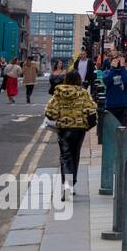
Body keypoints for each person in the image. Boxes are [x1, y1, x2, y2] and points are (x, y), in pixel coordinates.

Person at [44, 70, 97, 201]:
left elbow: (50, 113)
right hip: (79, 129)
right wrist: (87, 126)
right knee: (75, 155)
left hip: (64, 128)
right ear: (79, 79)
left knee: (65, 157)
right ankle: (71, 184)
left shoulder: (58, 93)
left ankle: (67, 185)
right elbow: (91, 110)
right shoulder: (83, 93)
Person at [101, 53, 127, 128]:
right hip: (110, 106)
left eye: (121, 60)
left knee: (124, 131)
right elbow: (107, 81)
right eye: (116, 60)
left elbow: (126, 81)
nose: (118, 62)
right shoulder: (107, 73)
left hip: (123, 106)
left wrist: (122, 68)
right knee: (111, 130)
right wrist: (113, 68)